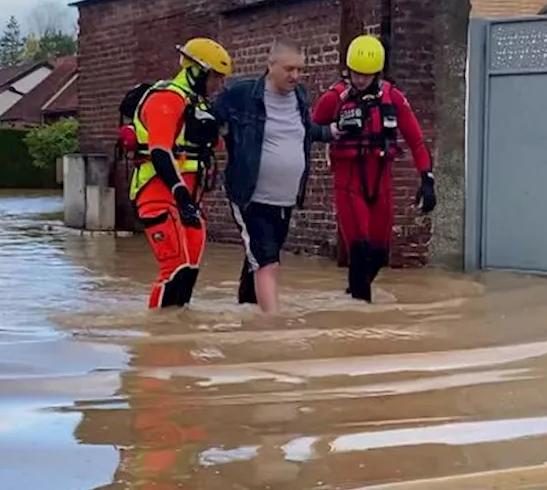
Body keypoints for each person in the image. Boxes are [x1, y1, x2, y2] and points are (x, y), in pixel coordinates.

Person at [214, 40, 340, 314]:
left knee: (258, 259)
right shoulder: (242, 94)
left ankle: (245, 314)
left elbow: (305, 130)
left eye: (300, 69)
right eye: (289, 69)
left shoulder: (299, 95)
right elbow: (208, 118)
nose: (295, 76)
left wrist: (332, 132)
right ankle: (273, 326)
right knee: (268, 262)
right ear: (271, 66)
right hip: (250, 198)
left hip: (284, 201)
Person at [312, 34, 436, 302]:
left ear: (377, 73)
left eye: (366, 75)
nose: (360, 80)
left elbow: (415, 140)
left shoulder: (394, 98)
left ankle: (351, 299)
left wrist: (426, 177)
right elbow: (308, 128)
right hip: (349, 180)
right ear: (348, 69)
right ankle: (359, 323)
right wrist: (330, 131)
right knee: (360, 248)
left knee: (380, 251)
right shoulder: (334, 98)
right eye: (356, 73)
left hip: (381, 179)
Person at [119, 37, 232, 309]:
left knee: (188, 271)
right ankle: (158, 339)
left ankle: (180, 341)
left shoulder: (199, 106)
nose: (219, 84)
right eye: (215, 77)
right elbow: (160, 152)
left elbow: (215, 145)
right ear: (197, 71)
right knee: (175, 268)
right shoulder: (165, 100)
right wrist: (180, 193)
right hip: (159, 194)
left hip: (189, 201)